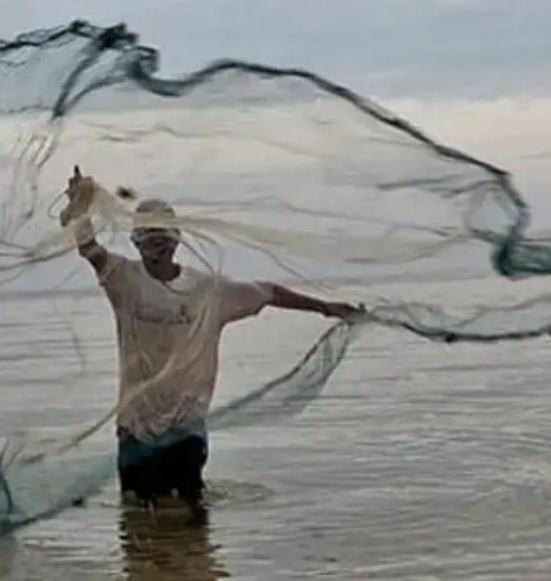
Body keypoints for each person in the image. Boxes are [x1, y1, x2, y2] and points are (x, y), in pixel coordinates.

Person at [60, 166, 359, 508]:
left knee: (189, 518)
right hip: (135, 431)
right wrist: (80, 209)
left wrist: (325, 308)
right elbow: (90, 249)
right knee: (136, 519)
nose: (155, 243)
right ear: (135, 242)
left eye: (162, 235)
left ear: (176, 239)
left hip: (187, 428)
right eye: (147, 236)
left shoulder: (209, 291)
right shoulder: (124, 280)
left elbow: (270, 293)